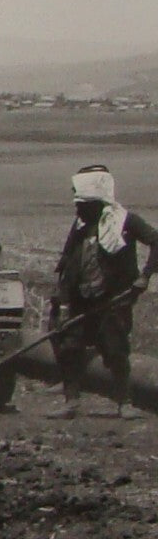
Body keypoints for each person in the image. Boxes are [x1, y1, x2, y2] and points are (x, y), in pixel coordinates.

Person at [51, 165, 158, 418]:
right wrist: (62, 299)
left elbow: (156, 241)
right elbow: (67, 260)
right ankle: (71, 401)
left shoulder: (124, 221)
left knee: (115, 349)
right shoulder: (80, 226)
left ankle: (124, 403)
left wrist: (144, 277)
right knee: (69, 346)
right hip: (81, 297)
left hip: (114, 299)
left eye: (82, 205)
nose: (77, 210)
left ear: (97, 204)